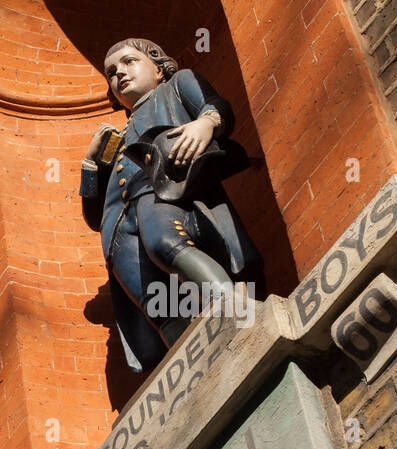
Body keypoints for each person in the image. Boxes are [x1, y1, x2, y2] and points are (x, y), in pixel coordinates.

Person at [80, 38, 264, 373]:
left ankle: (236, 311)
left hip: (161, 194)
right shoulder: (117, 140)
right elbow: (94, 216)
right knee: (157, 305)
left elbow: (216, 106)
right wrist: (92, 163)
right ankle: (192, 369)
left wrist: (206, 123)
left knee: (166, 244)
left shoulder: (177, 85)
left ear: (158, 68)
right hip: (118, 231)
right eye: (111, 72)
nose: (119, 73)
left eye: (129, 62)